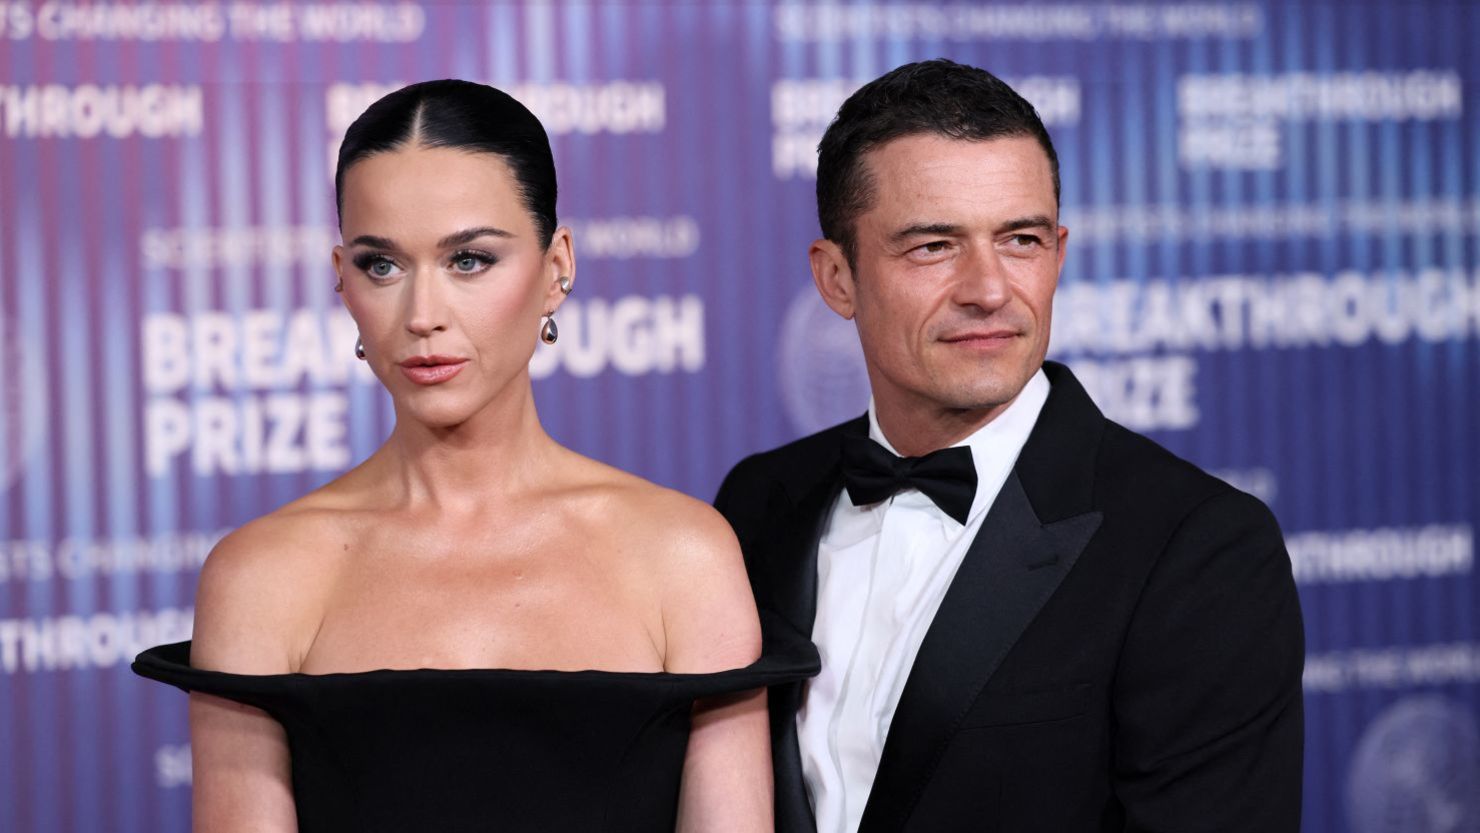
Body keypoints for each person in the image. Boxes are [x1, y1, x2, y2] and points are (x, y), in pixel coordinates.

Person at [134, 79, 817, 833]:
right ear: (341, 280)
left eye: (469, 260)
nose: (423, 315)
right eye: (381, 265)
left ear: (556, 268)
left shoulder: (682, 558)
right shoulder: (263, 577)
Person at [715, 59, 1304, 832]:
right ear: (837, 278)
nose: (989, 289)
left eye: (1021, 240)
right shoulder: (759, 501)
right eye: (934, 246)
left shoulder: (1198, 549)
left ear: (1058, 253)